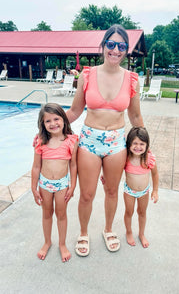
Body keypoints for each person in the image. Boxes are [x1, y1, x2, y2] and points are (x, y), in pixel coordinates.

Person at [66, 24, 144, 256]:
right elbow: (75, 111)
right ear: (103, 46)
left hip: (116, 144)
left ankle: (108, 229)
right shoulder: (87, 75)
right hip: (89, 141)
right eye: (111, 44)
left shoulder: (131, 79)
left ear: (126, 50)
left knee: (112, 191)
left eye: (121, 46)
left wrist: (146, 145)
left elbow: (135, 115)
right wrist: (48, 129)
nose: (115, 50)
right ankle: (83, 232)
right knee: (87, 194)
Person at [31, 103, 78, 262]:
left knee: (61, 214)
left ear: (64, 120)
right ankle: (47, 242)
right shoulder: (41, 141)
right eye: (48, 121)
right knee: (47, 213)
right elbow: (36, 166)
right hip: (44, 184)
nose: (53, 124)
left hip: (62, 184)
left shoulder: (71, 141)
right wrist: (34, 187)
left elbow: (73, 164)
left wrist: (72, 185)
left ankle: (62, 244)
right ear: (42, 124)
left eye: (56, 119)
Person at [124, 127, 159, 248]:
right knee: (129, 212)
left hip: (144, 191)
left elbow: (155, 174)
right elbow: (116, 171)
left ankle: (141, 234)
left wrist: (155, 190)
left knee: (142, 212)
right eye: (134, 143)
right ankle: (129, 232)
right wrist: (106, 177)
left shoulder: (148, 159)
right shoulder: (126, 158)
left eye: (142, 144)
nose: (138, 147)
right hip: (129, 190)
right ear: (129, 144)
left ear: (147, 145)